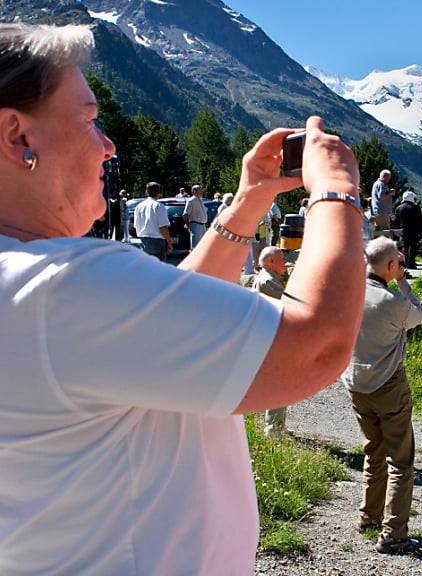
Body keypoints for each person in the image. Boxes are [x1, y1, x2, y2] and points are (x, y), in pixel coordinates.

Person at [0, 23, 366, 574]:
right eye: (89, 120)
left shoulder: (33, 286)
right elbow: (316, 346)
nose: (108, 146)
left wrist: (247, 203)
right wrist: (337, 191)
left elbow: (167, 316)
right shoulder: (61, 286)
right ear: (17, 136)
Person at [343, 237, 422, 555]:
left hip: (356, 384)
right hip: (388, 386)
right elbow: (419, 315)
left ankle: (368, 516)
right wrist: (402, 281)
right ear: (392, 265)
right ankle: (393, 535)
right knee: (400, 461)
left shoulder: (349, 293)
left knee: (373, 451)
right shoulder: (393, 303)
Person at [251, 246, 289, 438]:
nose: (285, 262)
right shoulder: (268, 281)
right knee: (279, 383)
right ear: (270, 261)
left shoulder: (269, 277)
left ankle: (277, 425)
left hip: (269, 336)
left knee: (280, 382)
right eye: (281, 259)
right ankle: (273, 428)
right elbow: (289, 303)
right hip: (271, 338)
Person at [134, 181, 173, 261]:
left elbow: (136, 226)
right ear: (159, 194)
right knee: (159, 267)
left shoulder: (139, 206)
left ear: (146, 192)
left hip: (143, 241)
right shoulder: (159, 206)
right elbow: (163, 228)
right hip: (157, 242)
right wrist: (169, 243)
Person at [394, 189, 422, 269]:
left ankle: (404, 263)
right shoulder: (416, 208)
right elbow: (420, 220)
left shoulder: (398, 208)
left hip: (403, 230)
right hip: (414, 230)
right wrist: (421, 230)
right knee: (413, 246)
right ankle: (411, 263)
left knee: (404, 246)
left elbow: (396, 221)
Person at [183, 184, 209, 251]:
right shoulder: (191, 200)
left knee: (202, 246)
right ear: (194, 191)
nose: (202, 191)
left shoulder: (200, 200)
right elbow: (185, 214)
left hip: (202, 225)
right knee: (195, 248)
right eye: (200, 190)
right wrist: (187, 224)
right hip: (195, 225)